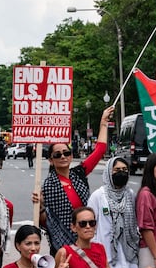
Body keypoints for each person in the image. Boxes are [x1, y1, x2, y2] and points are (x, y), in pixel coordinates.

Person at [32, 106, 115, 255]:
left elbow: (100, 150)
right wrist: (39, 206)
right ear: (51, 160)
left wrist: (103, 122)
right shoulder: (48, 186)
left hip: (88, 237)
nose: (63, 157)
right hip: (62, 246)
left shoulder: (79, 173)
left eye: (66, 153)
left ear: (71, 156)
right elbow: (46, 221)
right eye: (57, 155)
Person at [87, 157, 138, 268]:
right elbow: (90, 225)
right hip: (105, 254)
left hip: (128, 252)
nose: (122, 172)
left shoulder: (130, 194)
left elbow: (136, 222)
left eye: (125, 169)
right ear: (109, 172)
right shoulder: (98, 196)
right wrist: (95, 250)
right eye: (117, 170)